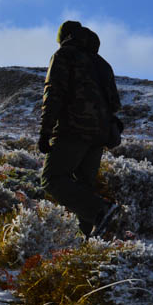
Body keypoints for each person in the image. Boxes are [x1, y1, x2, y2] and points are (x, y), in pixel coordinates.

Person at [38, 20, 123, 238]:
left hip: (72, 129)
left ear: (64, 37)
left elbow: (53, 93)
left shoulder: (64, 55)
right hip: (99, 135)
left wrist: (45, 130)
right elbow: (115, 103)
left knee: (52, 179)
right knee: (84, 186)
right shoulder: (103, 64)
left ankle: (101, 210)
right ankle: (85, 241)